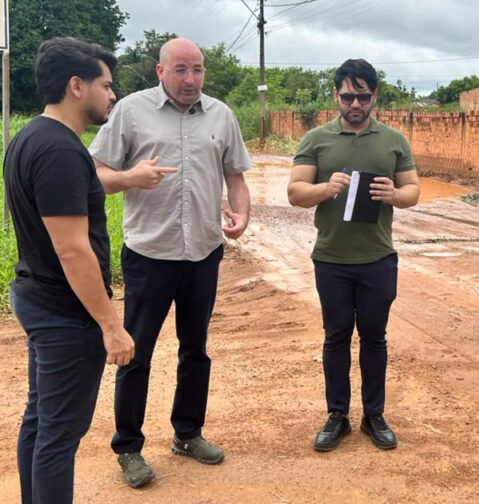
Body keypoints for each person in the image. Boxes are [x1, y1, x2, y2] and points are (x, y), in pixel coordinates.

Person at [89, 37, 252, 488]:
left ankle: (187, 433)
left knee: (195, 350)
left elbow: (235, 178)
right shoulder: (131, 111)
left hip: (203, 252)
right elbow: (96, 175)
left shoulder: (221, 115)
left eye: (197, 69)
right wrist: (130, 177)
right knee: (134, 353)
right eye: (180, 69)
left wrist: (241, 212)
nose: (190, 79)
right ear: (160, 72)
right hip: (149, 255)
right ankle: (129, 447)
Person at [3, 37, 135, 503]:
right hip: (65, 314)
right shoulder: (59, 150)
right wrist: (110, 325)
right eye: (106, 84)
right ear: (76, 86)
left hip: (39, 299)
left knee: (40, 423)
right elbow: (73, 250)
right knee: (58, 437)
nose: (112, 95)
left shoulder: (29, 137)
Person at [288, 59, 420, 452]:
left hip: (379, 257)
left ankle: (374, 415)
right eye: (348, 96)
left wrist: (395, 196)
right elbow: (295, 193)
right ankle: (337, 416)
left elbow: (413, 189)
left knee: (375, 339)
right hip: (331, 258)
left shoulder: (393, 140)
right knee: (336, 337)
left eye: (363, 96)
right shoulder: (316, 140)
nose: (356, 103)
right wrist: (325, 189)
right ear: (336, 95)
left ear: (374, 95)